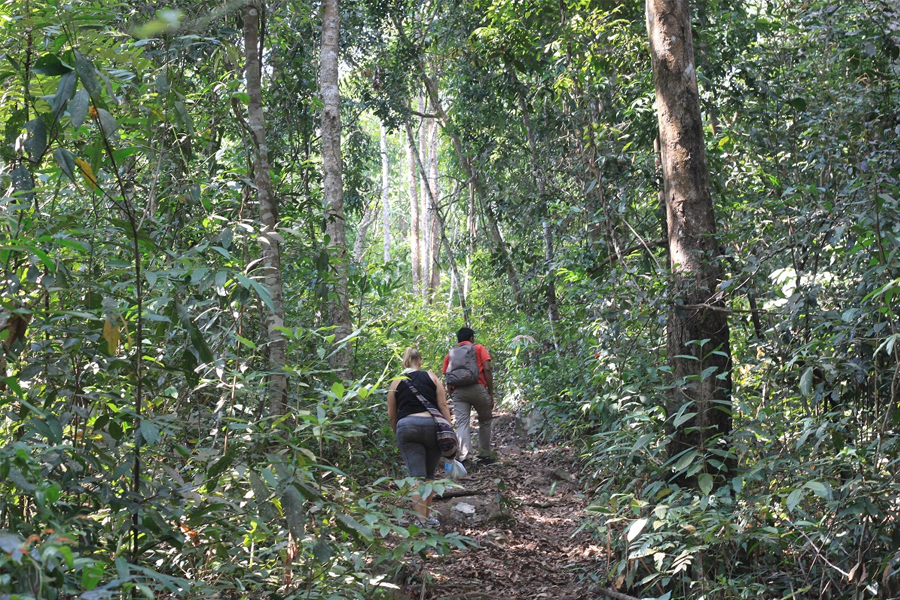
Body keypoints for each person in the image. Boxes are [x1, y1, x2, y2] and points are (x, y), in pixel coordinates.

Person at [387, 347, 452, 526]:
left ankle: (420, 520)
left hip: (407, 427)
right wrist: (449, 429)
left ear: (405, 362)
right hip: (432, 426)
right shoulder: (432, 377)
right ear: (420, 361)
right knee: (429, 476)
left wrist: (398, 432)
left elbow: (392, 415)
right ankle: (428, 517)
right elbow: (443, 406)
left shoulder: (396, 382)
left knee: (417, 477)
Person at [442, 327, 495, 465]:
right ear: (471, 338)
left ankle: (465, 458)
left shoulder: (450, 355)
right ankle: (485, 455)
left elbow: (448, 378)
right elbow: (487, 368)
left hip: (459, 391)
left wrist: (452, 394)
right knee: (485, 420)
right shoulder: (478, 348)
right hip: (478, 388)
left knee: (462, 424)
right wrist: (490, 392)